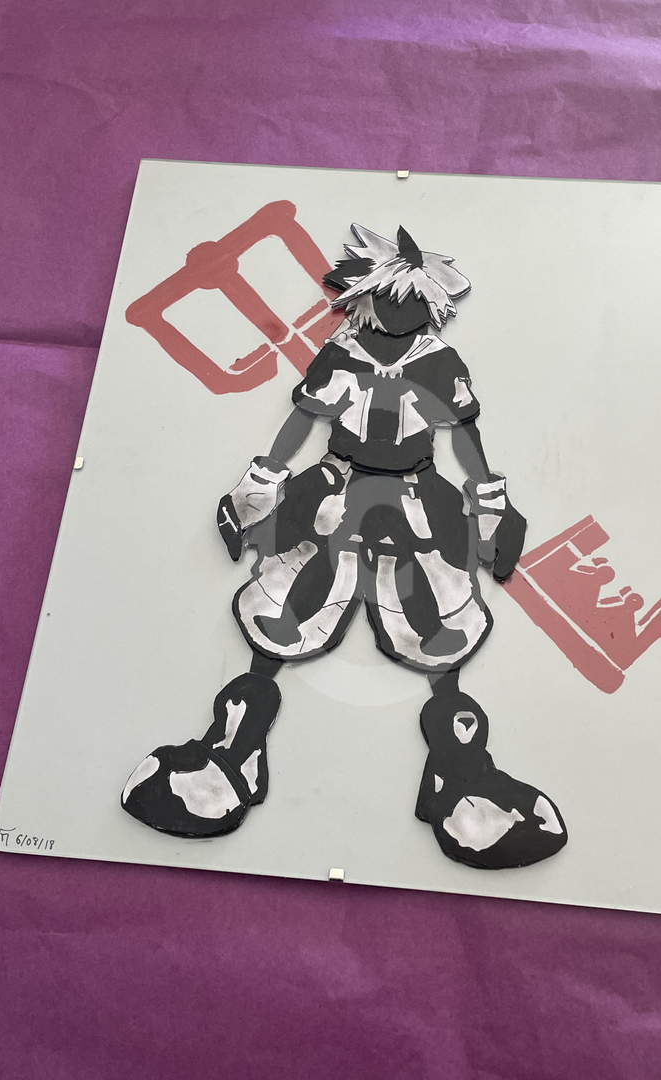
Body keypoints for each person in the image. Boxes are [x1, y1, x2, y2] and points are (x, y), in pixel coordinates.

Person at [121, 224, 568, 869]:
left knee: (433, 621)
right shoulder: (341, 352)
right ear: (366, 296)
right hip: (335, 486)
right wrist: (264, 480)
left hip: (416, 494)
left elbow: (463, 433)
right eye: (388, 297)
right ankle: (231, 752)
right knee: (289, 604)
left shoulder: (440, 361)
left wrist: (489, 499)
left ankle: (462, 775)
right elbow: (304, 418)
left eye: (411, 300)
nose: (398, 311)